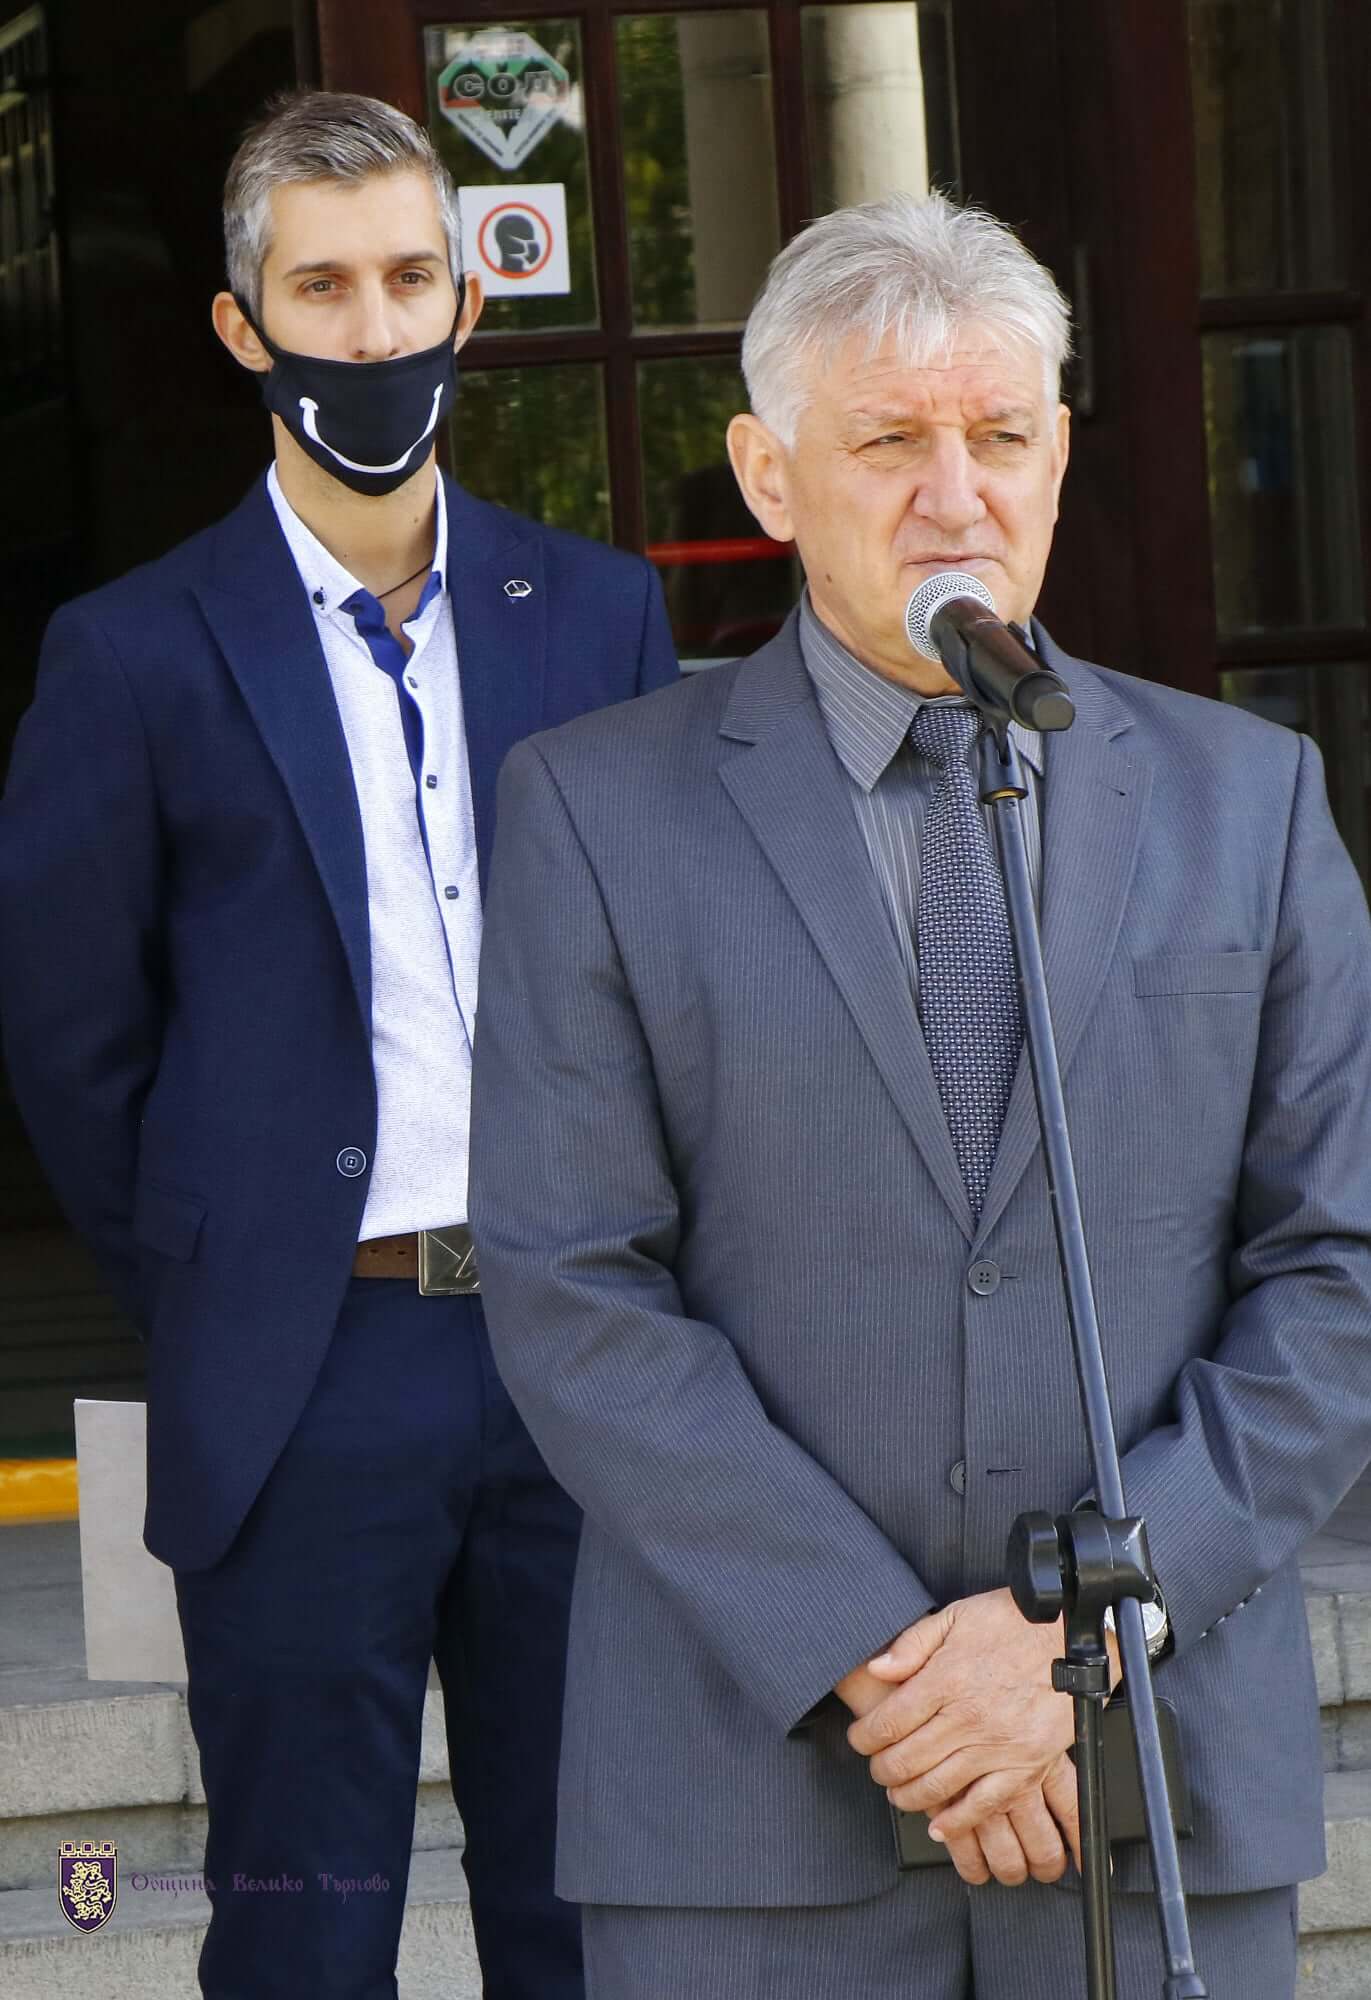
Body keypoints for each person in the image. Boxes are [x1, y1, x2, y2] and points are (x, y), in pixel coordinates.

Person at [466, 192, 1371, 1999]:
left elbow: (1341, 1269)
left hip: (1151, 1790)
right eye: (889, 442)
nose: (956, 496)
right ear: (770, 474)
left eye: (1001, 437)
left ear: (1058, 459)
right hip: (750, 1815)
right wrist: (895, 1667)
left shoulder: (1250, 801)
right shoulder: (594, 808)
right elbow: (575, 1287)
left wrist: (1073, 1648)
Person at [0, 89, 676, 2000]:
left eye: (404, 279)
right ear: (245, 326)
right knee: (304, 1934)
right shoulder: (131, 653)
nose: (372, 329)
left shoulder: (599, 614)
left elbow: (672, 989)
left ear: (466, 299)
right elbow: (74, 1041)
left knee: (595, 1928)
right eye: (321, 288)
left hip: (579, 1364)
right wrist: (227, 1278)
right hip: (307, 1378)